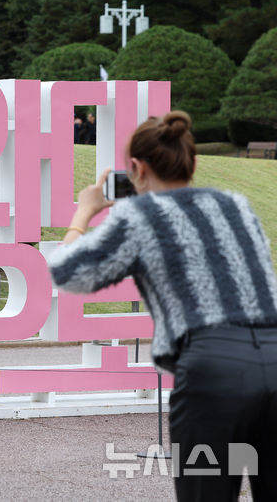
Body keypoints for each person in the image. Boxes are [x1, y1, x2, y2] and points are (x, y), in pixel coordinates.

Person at [48, 110, 277, 501]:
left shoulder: (139, 214)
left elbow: (69, 271)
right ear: (194, 162)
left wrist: (84, 211)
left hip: (212, 369)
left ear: (136, 168)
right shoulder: (236, 205)